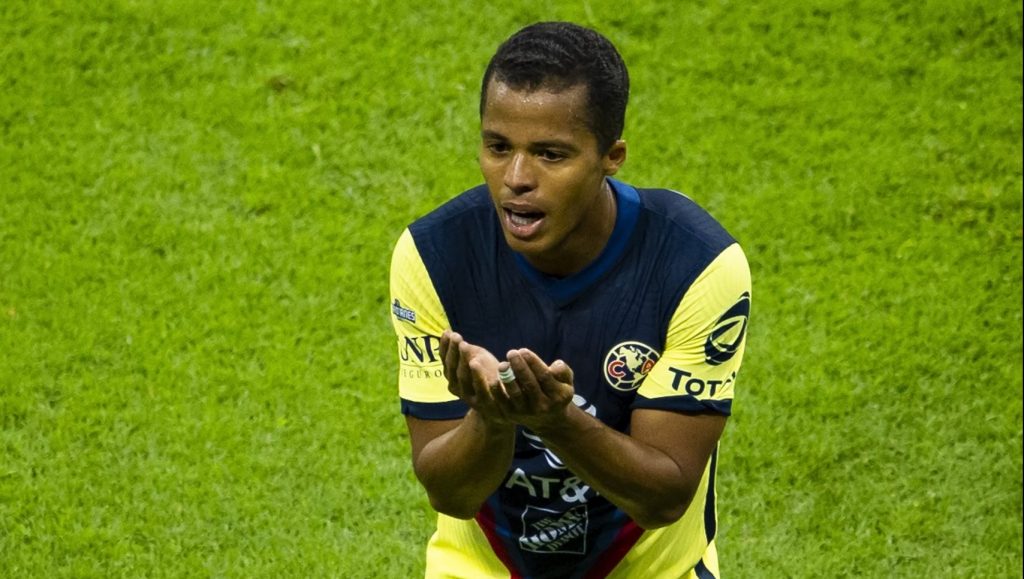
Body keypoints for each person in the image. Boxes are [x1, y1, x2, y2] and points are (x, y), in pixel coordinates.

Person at [389, 21, 751, 579]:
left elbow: (663, 497)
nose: (516, 178)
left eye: (550, 154)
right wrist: (491, 418)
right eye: (498, 147)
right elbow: (451, 495)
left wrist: (554, 420)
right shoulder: (433, 256)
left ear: (612, 156)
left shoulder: (695, 265)